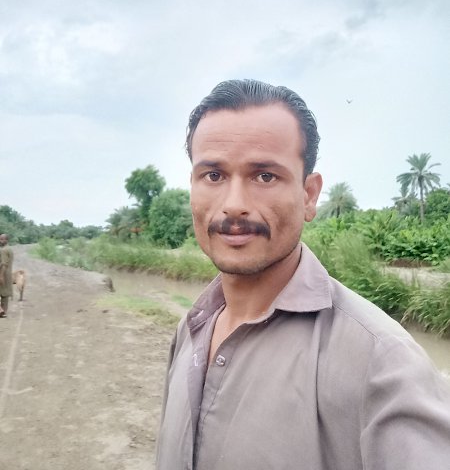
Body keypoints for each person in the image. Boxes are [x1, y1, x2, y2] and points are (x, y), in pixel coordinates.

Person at [155, 79, 450, 470]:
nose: (234, 205)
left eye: (265, 176)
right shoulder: (191, 329)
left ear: (309, 195)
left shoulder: (380, 361)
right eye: (213, 175)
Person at [0, 233, 14, 318]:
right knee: (4, 293)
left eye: (2, 239)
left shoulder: (3, 250)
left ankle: (2, 311)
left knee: (3, 293)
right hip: (8, 273)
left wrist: (1, 276)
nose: (0, 241)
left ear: (6, 240)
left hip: (3, 273)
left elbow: (4, 264)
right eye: (0, 239)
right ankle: (4, 311)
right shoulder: (9, 249)